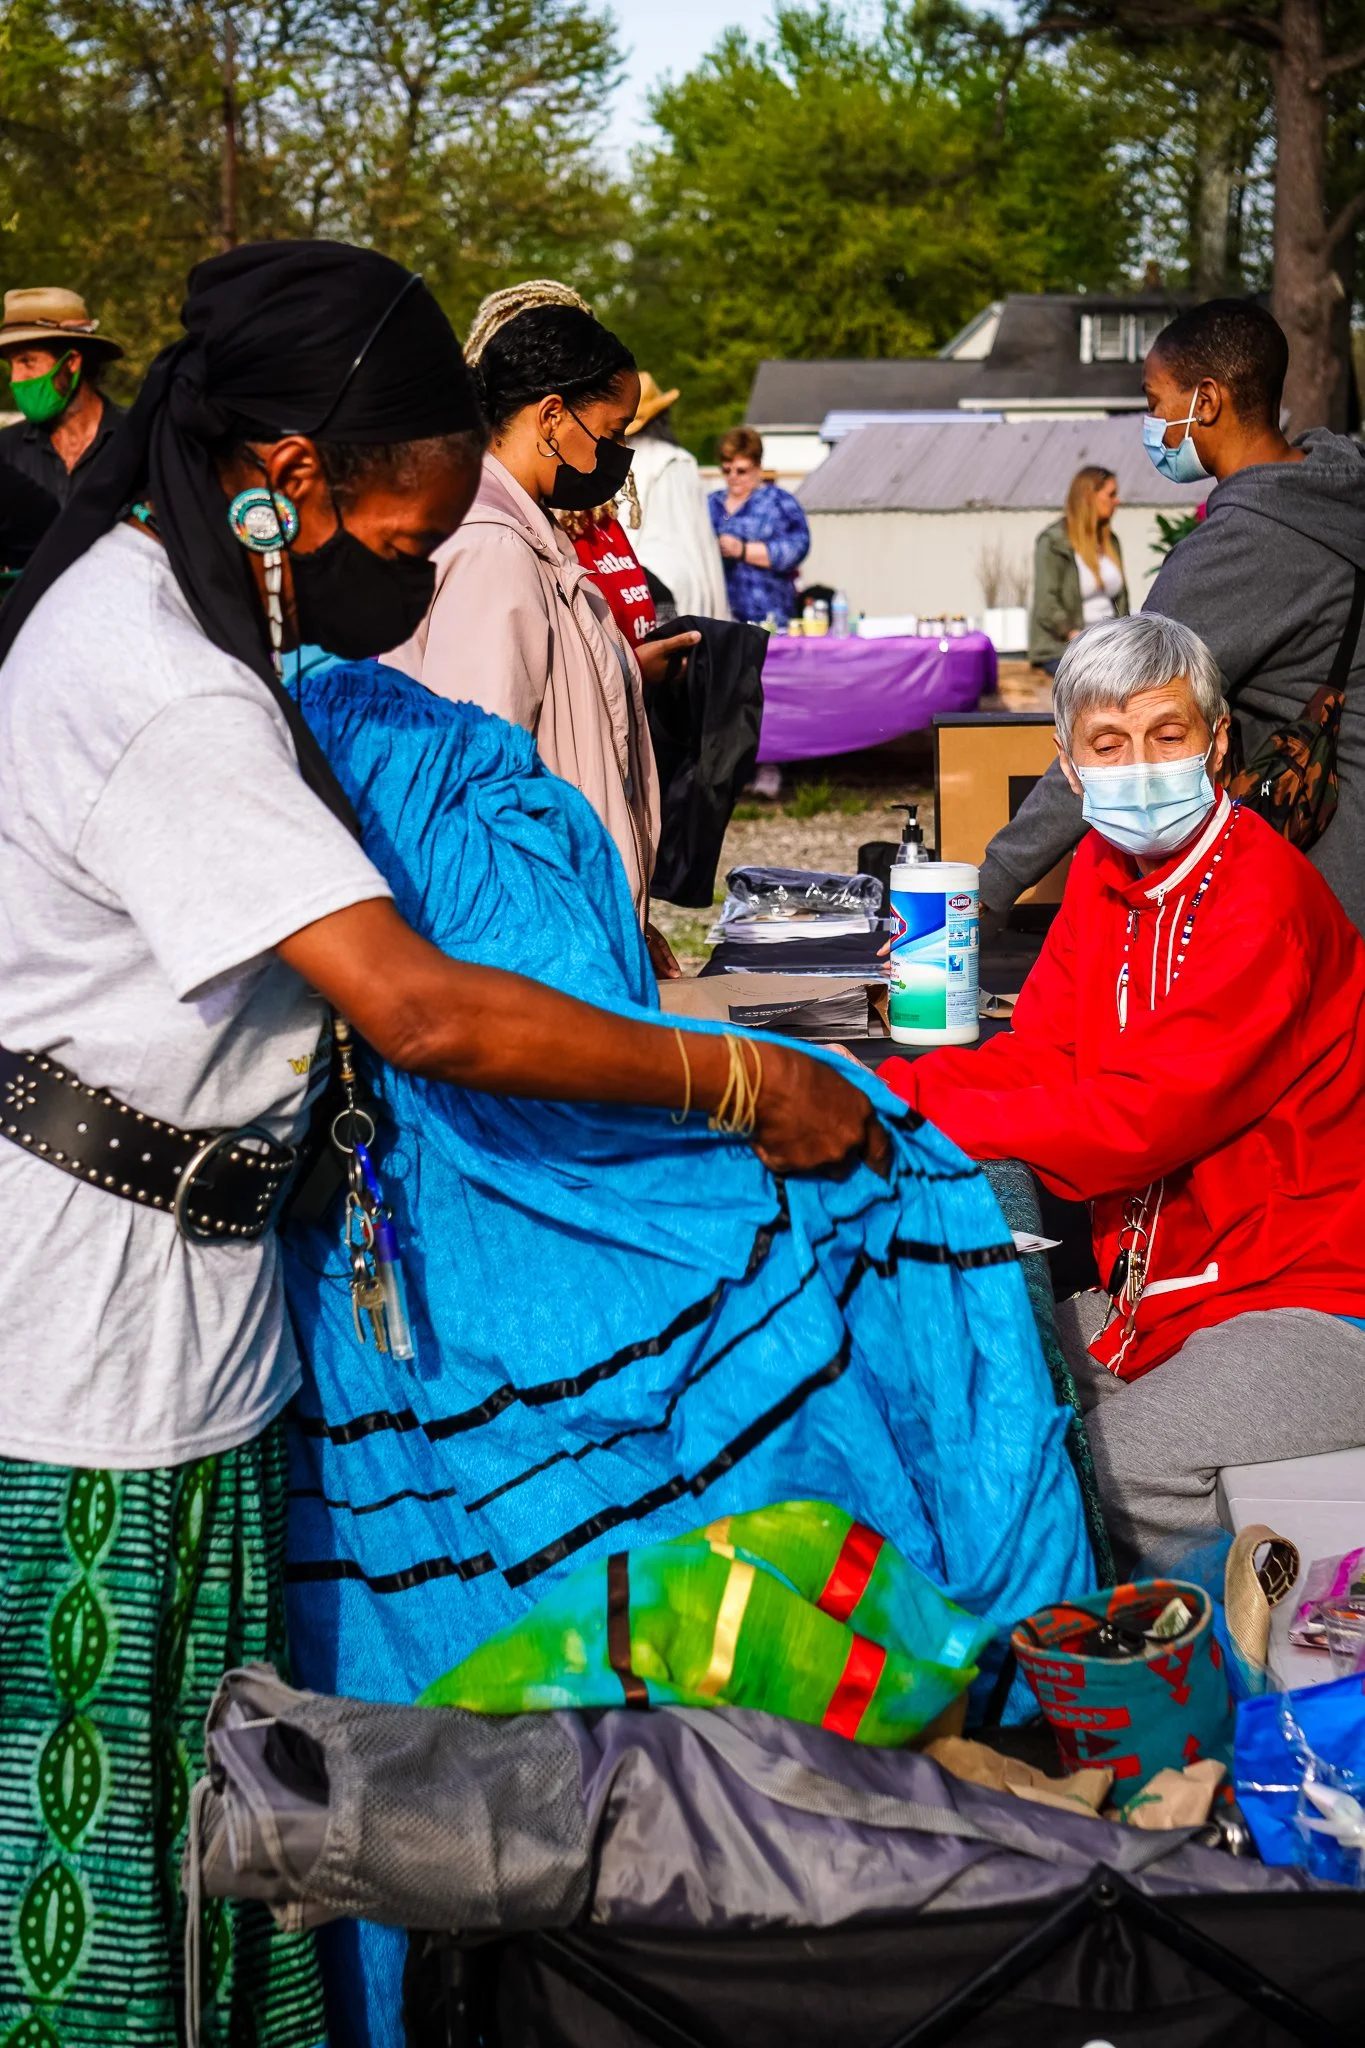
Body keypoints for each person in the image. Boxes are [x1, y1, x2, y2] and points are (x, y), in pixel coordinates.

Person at [0, 238, 882, 2048]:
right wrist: (737, 1083)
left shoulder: (171, 613)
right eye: (403, 542)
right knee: (95, 1893)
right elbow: (423, 1008)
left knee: (216, 1841)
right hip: (82, 1360)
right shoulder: (156, 675)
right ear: (299, 477)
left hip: (189, 1329)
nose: (404, 580)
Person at [884, 612, 1365, 1577]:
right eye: (1109, 744)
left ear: (1217, 743)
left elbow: (1134, 1117)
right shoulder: (1113, 870)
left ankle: (1144, 1680)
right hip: (1166, 1285)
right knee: (973, 1386)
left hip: (1311, 1294)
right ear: (1068, 766)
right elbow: (1044, 1053)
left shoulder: (1260, 898)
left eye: (1167, 735)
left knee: (1080, 1474)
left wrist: (902, 1112)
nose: (1139, 767)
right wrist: (888, 1088)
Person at [980, 299, 1365, 934]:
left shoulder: (1245, 545)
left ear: (1206, 401)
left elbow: (1115, 719)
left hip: (1319, 874)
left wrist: (986, 887)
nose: (1152, 422)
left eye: (1155, 402)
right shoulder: (1336, 493)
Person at [386, 297, 699, 938]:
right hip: (536, 932)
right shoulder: (494, 549)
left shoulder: (529, 537)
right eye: (612, 434)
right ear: (552, 416)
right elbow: (480, 778)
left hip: (568, 917)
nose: (619, 456)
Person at [0, 286, 125, 505]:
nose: (15, 379)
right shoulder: (6, 453)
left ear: (72, 361)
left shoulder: (138, 439)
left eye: (27, 361)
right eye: (12, 365)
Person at [626, 371, 729, 619]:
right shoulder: (683, 460)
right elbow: (702, 537)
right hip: (691, 579)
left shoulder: (625, 462)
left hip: (643, 580)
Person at [1028, 465, 1129, 672]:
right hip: (1064, 648)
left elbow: (1121, 602)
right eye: (1111, 495)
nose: (1117, 501)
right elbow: (1046, 603)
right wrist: (1076, 636)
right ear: (1089, 497)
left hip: (1109, 646)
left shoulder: (1111, 542)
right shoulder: (1054, 542)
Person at [709, 426, 810, 625]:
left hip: (770, 618)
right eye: (726, 470)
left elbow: (798, 547)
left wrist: (744, 550)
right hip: (719, 619)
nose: (733, 476)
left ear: (758, 467)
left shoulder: (779, 502)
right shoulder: (709, 504)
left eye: (741, 471)